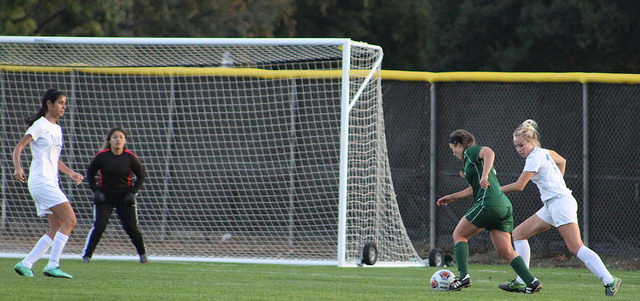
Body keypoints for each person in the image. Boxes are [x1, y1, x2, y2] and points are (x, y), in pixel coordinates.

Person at [498, 120, 622, 296]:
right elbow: (562, 161)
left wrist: (495, 190)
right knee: (518, 234)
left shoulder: (534, 157)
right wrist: (558, 183)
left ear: (532, 141)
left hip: (560, 203)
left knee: (575, 246)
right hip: (553, 204)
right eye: (516, 146)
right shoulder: (544, 152)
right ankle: (521, 281)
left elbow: (519, 186)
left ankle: (610, 280)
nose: (518, 149)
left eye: (521, 145)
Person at [437, 129, 541, 293]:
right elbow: (473, 188)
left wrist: (485, 175)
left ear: (458, 145)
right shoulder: (471, 164)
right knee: (505, 250)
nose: (453, 153)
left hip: (488, 203)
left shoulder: (470, 152)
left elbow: (489, 152)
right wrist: (452, 197)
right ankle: (532, 282)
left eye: (452, 149)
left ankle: (463, 277)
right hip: (503, 205)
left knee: (459, 235)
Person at [13, 89, 84, 279]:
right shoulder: (40, 125)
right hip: (41, 182)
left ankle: (26, 263)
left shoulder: (57, 129)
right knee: (71, 220)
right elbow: (19, 147)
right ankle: (53, 265)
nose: (63, 106)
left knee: (56, 228)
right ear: (49, 104)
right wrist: (18, 168)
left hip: (50, 182)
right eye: (60, 102)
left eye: (65, 103)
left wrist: (70, 173)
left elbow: (55, 159)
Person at [82, 127, 148, 264]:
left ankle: (143, 255)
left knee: (131, 227)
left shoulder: (130, 157)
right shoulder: (102, 156)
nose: (118, 140)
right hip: (105, 197)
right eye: (115, 137)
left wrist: (132, 193)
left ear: (125, 141)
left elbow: (141, 176)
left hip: (124, 198)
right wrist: (96, 192)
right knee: (100, 225)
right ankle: (87, 256)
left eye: (121, 137)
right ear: (110, 140)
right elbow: (90, 174)